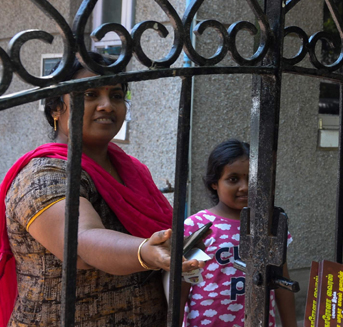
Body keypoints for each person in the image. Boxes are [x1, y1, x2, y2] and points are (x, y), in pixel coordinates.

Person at [0, 53, 202, 326]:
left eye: (116, 95)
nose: (107, 105)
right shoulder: (43, 176)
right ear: (56, 107)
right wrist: (144, 251)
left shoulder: (132, 170)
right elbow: (81, 242)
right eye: (90, 94)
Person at [180, 139, 295, 327]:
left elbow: (282, 282)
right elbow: (182, 287)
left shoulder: (270, 226)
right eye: (233, 179)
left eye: (252, 179)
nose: (245, 187)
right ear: (214, 183)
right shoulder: (196, 225)